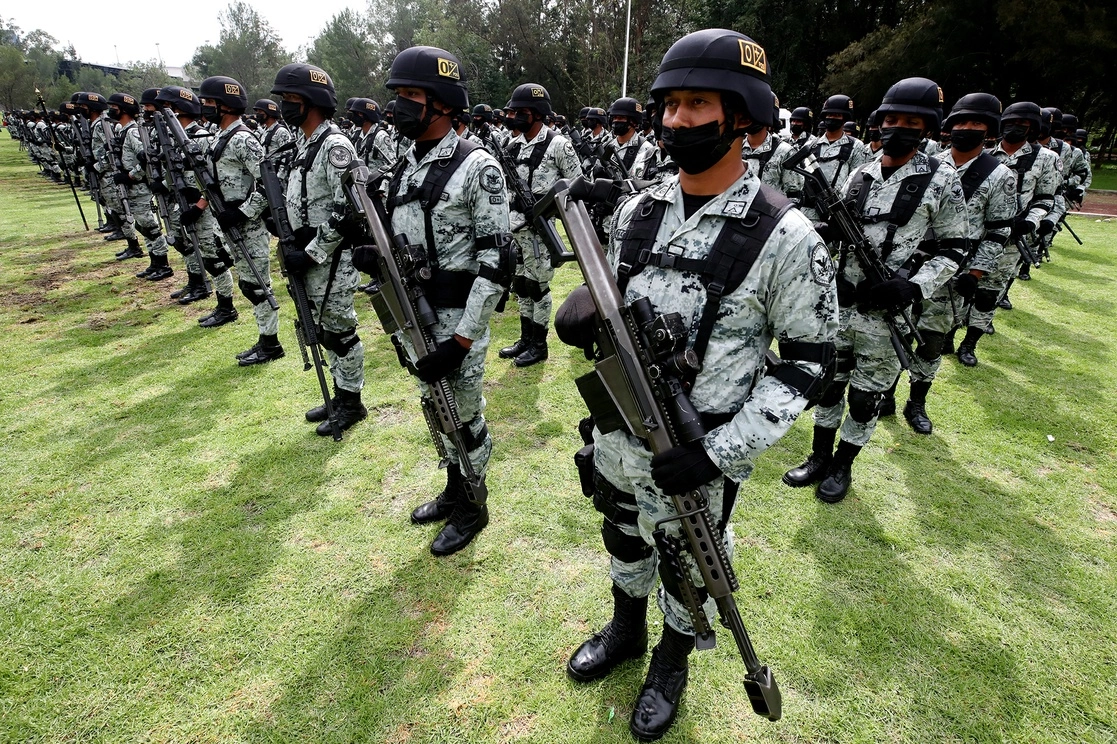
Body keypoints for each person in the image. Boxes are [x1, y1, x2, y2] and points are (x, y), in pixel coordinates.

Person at [557, 29, 837, 742]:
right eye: (670, 104)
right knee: (621, 534)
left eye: (697, 104)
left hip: (700, 449)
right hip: (621, 434)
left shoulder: (786, 235)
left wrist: (715, 453)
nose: (677, 120)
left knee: (688, 565)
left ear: (741, 116)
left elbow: (805, 365)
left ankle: (670, 661)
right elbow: (612, 314)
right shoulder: (636, 211)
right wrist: (584, 313)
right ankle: (624, 629)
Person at [352, 46, 513, 555]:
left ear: (442, 102)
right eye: (396, 95)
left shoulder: (477, 168)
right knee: (432, 405)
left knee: (463, 414)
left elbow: (496, 263)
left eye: (410, 96)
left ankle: (474, 503)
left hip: (457, 320)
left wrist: (464, 337)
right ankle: (454, 484)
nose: (398, 105)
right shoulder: (405, 164)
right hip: (414, 317)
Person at [783, 77, 967, 502]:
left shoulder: (942, 179)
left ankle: (843, 466)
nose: (897, 127)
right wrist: (824, 231)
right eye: (891, 119)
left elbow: (957, 248)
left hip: (887, 317)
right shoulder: (861, 173)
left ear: (927, 127)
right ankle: (818, 458)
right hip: (842, 304)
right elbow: (843, 227)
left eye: (909, 121)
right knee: (829, 385)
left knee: (866, 399)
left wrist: (914, 288)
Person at [898, 93, 1016, 433]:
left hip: (954, 271)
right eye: (961, 122)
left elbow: (998, 231)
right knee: (897, 329)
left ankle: (916, 401)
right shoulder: (926, 161)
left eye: (976, 123)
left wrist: (977, 272)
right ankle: (886, 392)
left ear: (989, 130)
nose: (967, 128)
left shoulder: (998, 175)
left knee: (933, 339)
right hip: (910, 264)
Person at [271, 63, 368, 434]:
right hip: (309, 254)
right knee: (323, 328)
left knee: (341, 330)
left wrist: (312, 250)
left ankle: (352, 402)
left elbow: (349, 209)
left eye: (291, 99)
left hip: (332, 258)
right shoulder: (304, 145)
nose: (285, 106)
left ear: (312, 101)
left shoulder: (334, 145)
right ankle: (340, 395)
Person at [956, 101, 1058, 366]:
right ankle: (948, 333)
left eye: (1022, 125)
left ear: (1032, 128)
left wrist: (1031, 221)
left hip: (1010, 240)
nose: (1014, 128)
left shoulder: (1046, 159)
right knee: (959, 288)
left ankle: (969, 343)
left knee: (989, 292)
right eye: (1010, 123)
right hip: (972, 234)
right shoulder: (985, 154)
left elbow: (1046, 199)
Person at [197, 75, 283, 365]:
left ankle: (270, 344)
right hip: (229, 222)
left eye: (209, 102)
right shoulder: (220, 137)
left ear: (225, 105)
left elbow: (268, 183)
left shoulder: (243, 139)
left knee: (258, 285)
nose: (205, 107)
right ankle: (264, 339)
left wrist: (243, 211)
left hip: (249, 224)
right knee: (249, 283)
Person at [497, 83, 581, 368]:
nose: (515, 117)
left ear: (536, 113)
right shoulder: (514, 145)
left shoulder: (558, 144)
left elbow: (576, 185)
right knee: (521, 284)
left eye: (521, 112)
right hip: (517, 229)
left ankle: (539, 344)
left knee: (537, 286)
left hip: (540, 230)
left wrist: (546, 206)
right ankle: (525, 338)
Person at [156, 85, 215, 306]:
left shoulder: (200, 137)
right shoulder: (175, 136)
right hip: (182, 199)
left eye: (170, 108)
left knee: (209, 252)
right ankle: (195, 279)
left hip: (200, 204)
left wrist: (200, 204)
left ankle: (212, 292)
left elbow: (211, 177)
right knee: (186, 242)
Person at [108, 92, 168, 265]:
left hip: (140, 187)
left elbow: (147, 158)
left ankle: (161, 262)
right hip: (133, 189)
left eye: (114, 108)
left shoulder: (133, 132)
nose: (111, 111)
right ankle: (154, 261)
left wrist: (130, 175)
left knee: (150, 226)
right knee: (142, 226)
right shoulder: (124, 131)